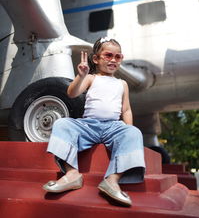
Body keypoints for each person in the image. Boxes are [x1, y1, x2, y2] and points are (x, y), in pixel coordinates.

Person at [43, 37, 145, 206]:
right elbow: (71, 93)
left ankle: (112, 180)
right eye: (108, 55)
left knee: (133, 132)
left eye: (118, 56)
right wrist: (81, 75)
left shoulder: (122, 84)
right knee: (62, 124)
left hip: (113, 127)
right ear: (96, 59)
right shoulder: (91, 78)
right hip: (88, 125)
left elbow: (126, 110)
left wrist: (129, 133)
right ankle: (72, 174)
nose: (113, 60)